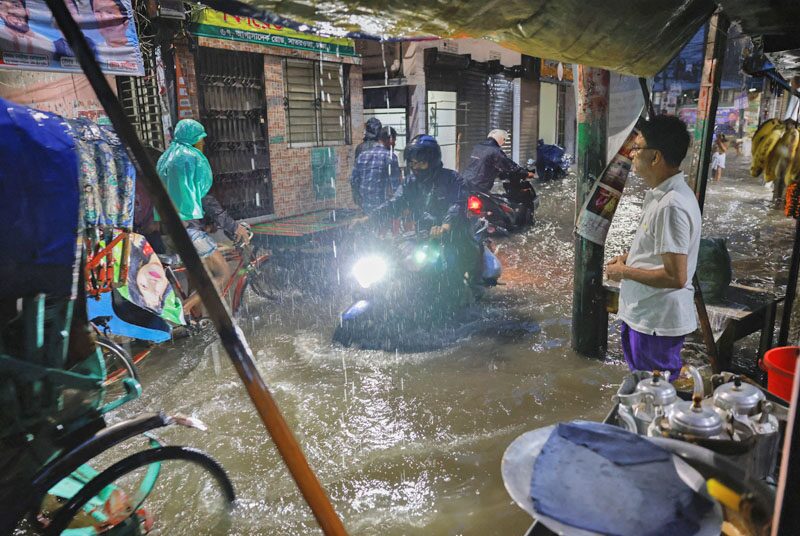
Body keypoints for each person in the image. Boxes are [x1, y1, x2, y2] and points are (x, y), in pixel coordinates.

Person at [605, 115, 701, 379]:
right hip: (645, 316)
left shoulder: (671, 205)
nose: (632, 155)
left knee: (653, 394)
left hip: (654, 320)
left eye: (637, 149)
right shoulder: (664, 196)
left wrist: (623, 272)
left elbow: (676, 276)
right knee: (644, 390)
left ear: (655, 157)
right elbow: (659, 250)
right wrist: (628, 258)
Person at [355, 134, 481, 295]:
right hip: (424, 235)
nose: (416, 167)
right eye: (412, 163)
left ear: (433, 160)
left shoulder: (452, 179)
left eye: (421, 162)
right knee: (400, 266)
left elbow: (456, 205)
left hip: (452, 236)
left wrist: (446, 225)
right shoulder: (410, 182)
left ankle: (459, 305)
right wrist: (369, 219)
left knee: (450, 272)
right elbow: (395, 202)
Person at [155, 119, 250, 314]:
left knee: (195, 277)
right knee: (221, 273)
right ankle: (182, 310)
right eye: (201, 139)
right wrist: (233, 227)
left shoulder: (166, 158)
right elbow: (205, 199)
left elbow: (182, 198)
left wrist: (206, 225)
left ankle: (195, 321)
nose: (203, 143)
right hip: (188, 232)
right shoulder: (189, 159)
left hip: (167, 231)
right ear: (193, 140)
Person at [462, 129, 533, 193]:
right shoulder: (495, 151)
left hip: (465, 181)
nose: (504, 143)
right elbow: (509, 165)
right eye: (504, 140)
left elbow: (483, 164)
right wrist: (525, 173)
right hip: (480, 186)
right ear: (501, 139)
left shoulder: (477, 147)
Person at [350, 125, 401, 213]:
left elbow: (353, 180)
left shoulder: (362, 155)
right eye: (394, 141)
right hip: (383, 209)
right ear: (390, 139)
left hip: (365, 206)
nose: (394, 144)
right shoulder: (390, 157)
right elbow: (395, 186)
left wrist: (358, 199)